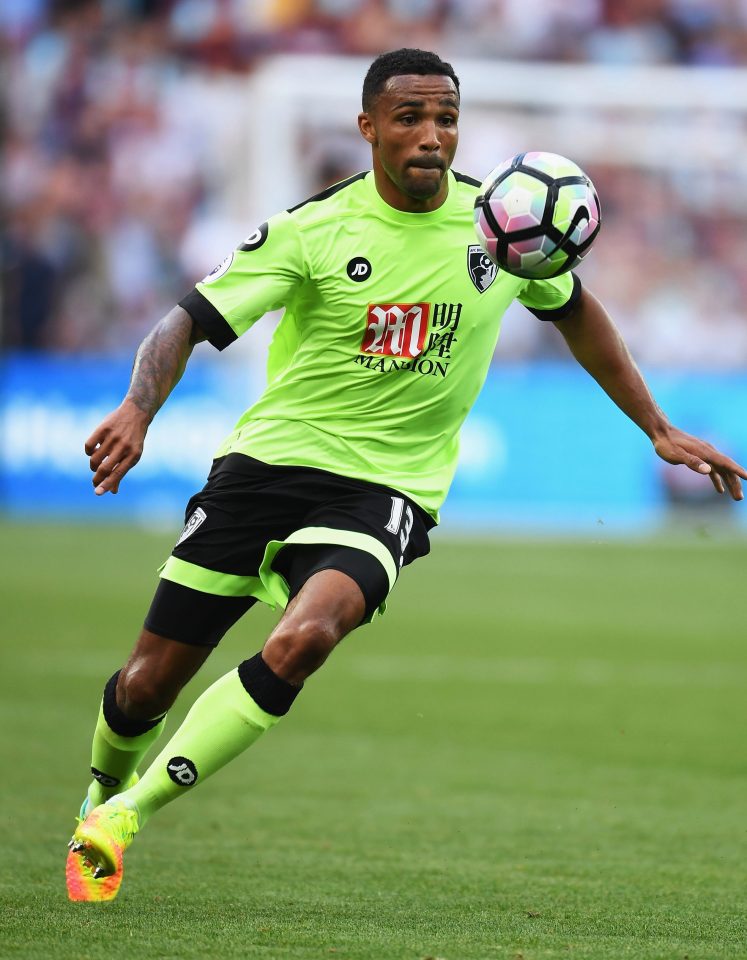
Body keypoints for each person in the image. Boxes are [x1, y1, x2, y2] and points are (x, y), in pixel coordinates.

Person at [66, 47, 746, 902]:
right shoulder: (313, 229)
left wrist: (657, 426)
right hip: (266, 467)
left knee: (304, 638)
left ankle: (126, 817)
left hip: (387, 491)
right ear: (368, 128)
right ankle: (97, 793)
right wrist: (137, 409)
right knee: (142, 686)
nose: (432, 136)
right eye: (410, 118)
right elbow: (184, 323)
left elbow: (577, 314)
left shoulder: (501, 228)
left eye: (447, 119)